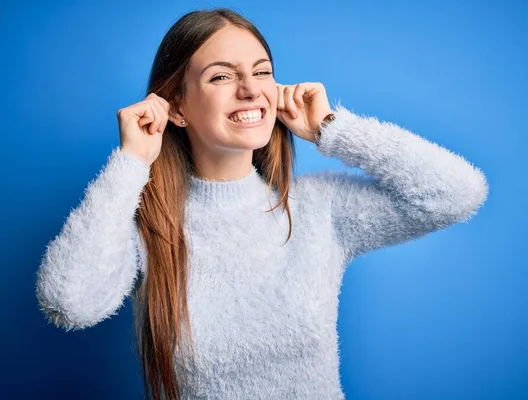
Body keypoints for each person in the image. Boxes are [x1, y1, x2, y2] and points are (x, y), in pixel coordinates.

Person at [35, 7, 489, 400]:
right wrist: (132, 161)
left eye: (262, 71)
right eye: (221, 76)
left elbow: (458, 193)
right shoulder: (147, 229)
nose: (251, 89)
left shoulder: (317, 209)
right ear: (176, 107)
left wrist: (334, 128)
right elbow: (67, 302)